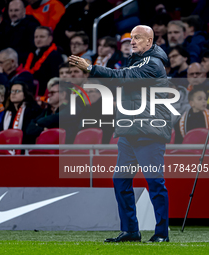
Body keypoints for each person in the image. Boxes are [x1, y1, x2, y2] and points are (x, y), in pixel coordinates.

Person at [69, 25, 171, 242]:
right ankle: (131, 231)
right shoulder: (138, 60)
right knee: (120, 180)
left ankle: (162, 232)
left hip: (149, 131)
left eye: (137, 38)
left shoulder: (152, 63)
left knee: (154, 182)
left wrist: (91, 68)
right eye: (131, 38)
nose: (132, 41)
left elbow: (125, 77)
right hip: (130, 131)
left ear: (149, 42)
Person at [24, 26, 64, 96]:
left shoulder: (55, 56)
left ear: (50, 38)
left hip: (45, 93)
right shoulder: (31, 54)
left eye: (42, 37)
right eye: (36, 37)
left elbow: (54, 78)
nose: (38, 40)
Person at [4, 0, 40, 64]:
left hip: (22, 62)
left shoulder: (32, 26)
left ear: (24, 11)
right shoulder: (5, 25)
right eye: (11, 10)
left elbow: (31, 49)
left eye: (16, 10)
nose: (13, 14)